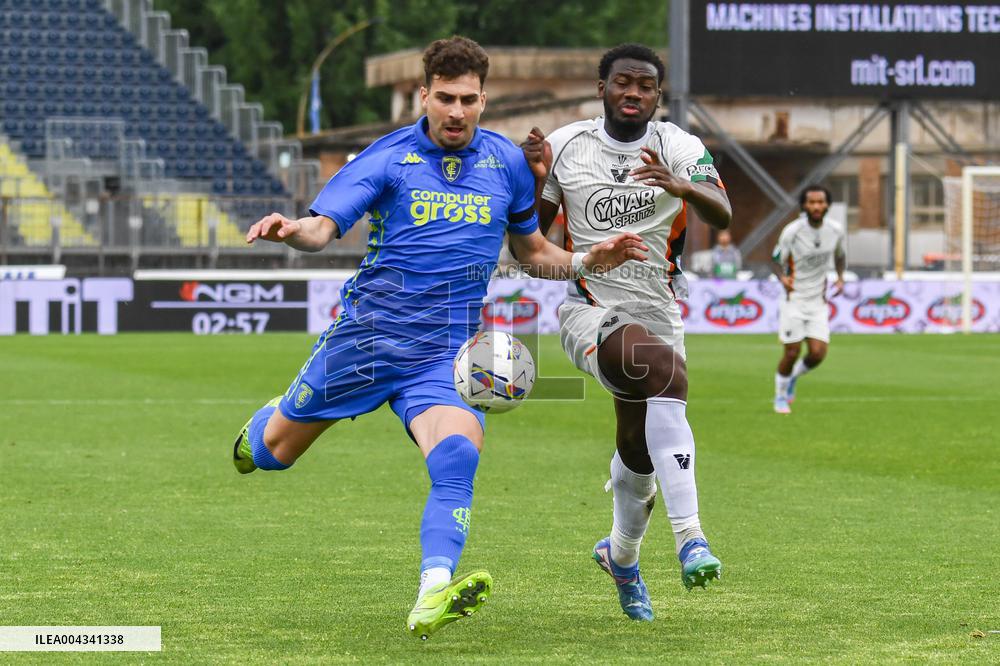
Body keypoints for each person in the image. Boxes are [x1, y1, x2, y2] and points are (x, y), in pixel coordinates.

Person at [232, 36, 646, 640]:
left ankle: (432, 590)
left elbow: (531, 253)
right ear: (423, 96)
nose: (456, 111)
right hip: (368, 342)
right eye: (445, 98)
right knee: (273, 453)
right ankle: (265, 425)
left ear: (484, 100)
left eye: (468, 100)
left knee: (457, 456)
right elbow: (321, 230)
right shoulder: (386, 157)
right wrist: (290, 229)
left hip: (447, 352)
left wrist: (587, 260)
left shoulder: (505, 162)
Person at [521, 43, 732, 622]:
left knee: (638, 452)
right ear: (602, 88)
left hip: (660, 311)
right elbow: (529, 249)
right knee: (664, 374)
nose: (633, 92)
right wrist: (534, 181)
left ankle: (621, 557)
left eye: (645, 85)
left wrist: (682, 187)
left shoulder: (679, 146)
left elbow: (722, 211)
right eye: (623, 82)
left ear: (658, 95)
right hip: (589, 309)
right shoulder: (566, 145)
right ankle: (691, 538)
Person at [770, 185, 846, 414]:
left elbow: (840, 256)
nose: (816, 206)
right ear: (804, 206)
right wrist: (782, 278)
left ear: (827, 205)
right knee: (792, 352)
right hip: (794, 299)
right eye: (811, 202)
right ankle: (780, 396)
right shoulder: (792, 231)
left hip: (818, 302)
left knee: (818, 353)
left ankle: (793, 377)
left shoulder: (835, 230)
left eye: (820, 202)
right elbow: (775, 259)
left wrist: (840, 277)